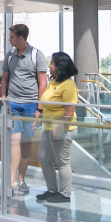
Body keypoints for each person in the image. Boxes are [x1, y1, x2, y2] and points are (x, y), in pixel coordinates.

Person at [0, 23, 47, 195]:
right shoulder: (10, 54)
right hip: (12, 104)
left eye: (11, 37)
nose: (9, 40)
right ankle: (11, 181)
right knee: (14, 141)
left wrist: (39, 109)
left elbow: (43, 84)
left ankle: (21, 179)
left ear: (20, 38)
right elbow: (4, 79)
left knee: (26, 143)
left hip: (30, 105)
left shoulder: (37, 55)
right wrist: (3, 99)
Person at [37, 52, 79, 204]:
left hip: (63, 130)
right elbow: (47, 104)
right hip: (48, 127)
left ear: (60, 67)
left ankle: (65, 194)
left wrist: (59, 129)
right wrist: (40, 117)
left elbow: (69, 110)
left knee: (62, 161)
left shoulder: (69, 86)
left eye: (52, 63)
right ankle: (52, 189)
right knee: (43, 157)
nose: (49, 66)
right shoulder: (53, 82)